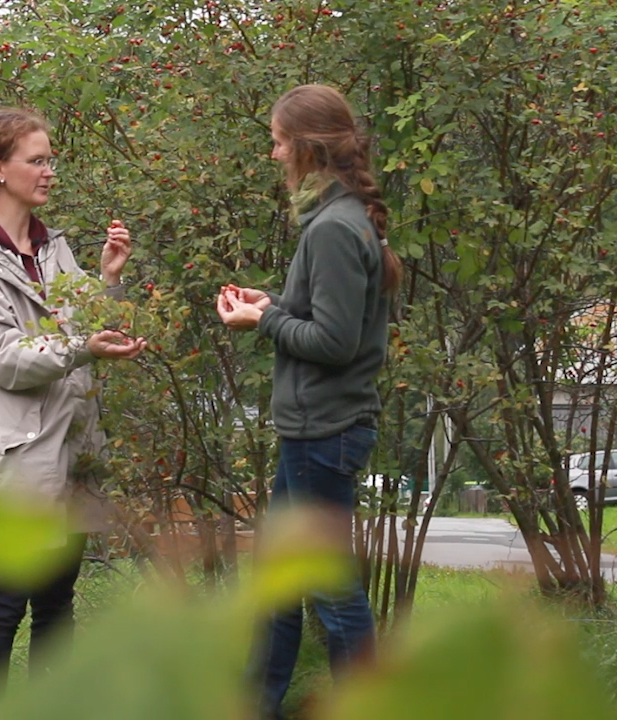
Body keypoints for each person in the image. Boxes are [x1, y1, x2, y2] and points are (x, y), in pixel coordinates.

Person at [0, 108, 146, 693]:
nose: (49, 170)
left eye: (51, 158)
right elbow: (2, 357)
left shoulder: (51, 246)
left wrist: (108, 280)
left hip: (71, 447)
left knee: (58, 603)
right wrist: (83, 348)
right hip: (17, 456)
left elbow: (83, 328)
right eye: (38, 160)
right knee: (5, 604)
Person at [216, 84, 402, 718]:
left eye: (276, 142)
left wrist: (262, 324)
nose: (272, 154)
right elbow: (323, 318)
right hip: (312, 428)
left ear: (305, 148)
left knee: (329, 587)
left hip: (326, 431)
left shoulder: (333, 227)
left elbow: (334, 341)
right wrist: (271, 305)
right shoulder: (335, 219)